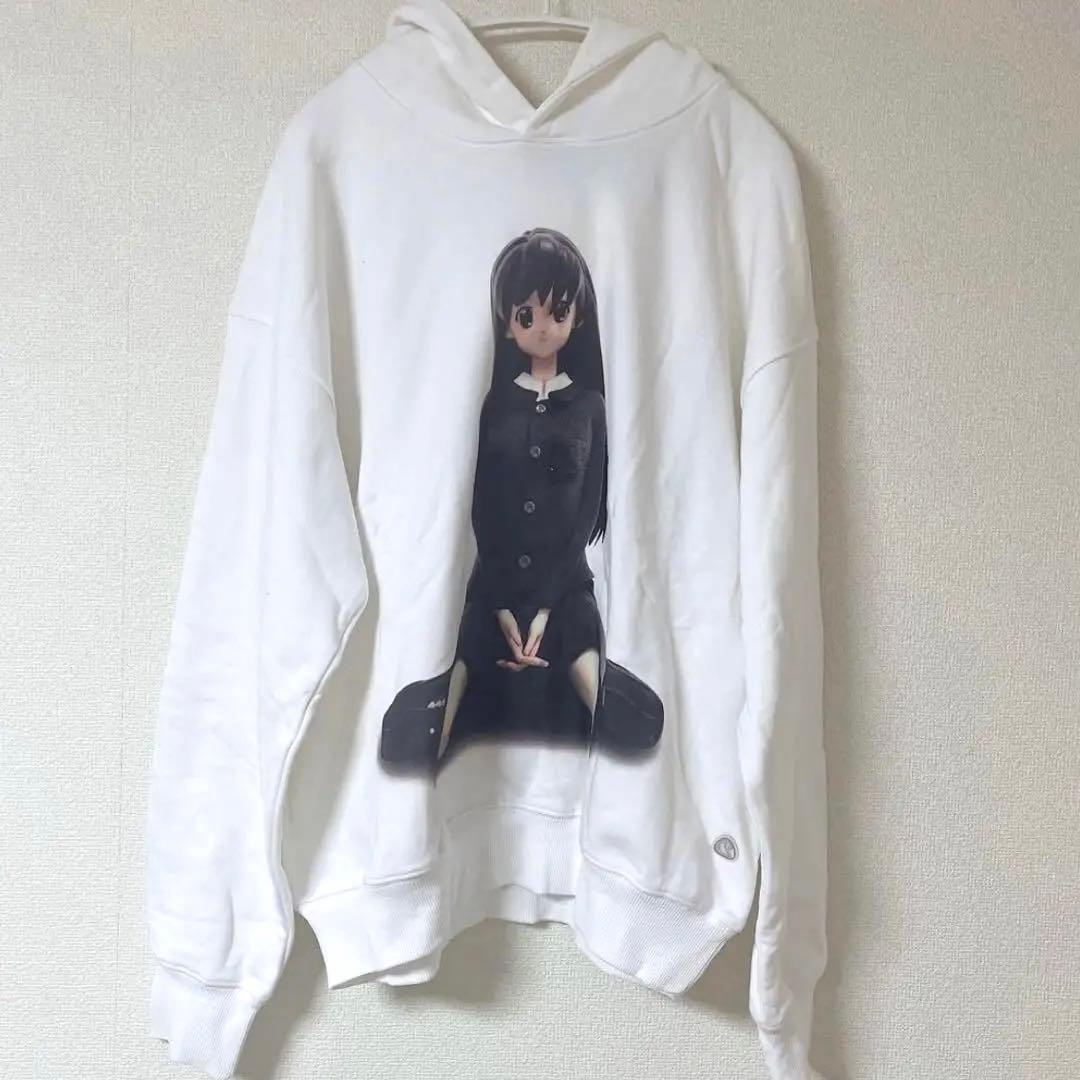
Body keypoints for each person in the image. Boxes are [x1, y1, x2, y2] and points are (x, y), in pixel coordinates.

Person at [379, 227, 662, 774]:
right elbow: (481, 507)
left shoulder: (590, 408)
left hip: (565, 582)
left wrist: (547, 607)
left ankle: (599, 697)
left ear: (577, 317)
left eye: (558, 312)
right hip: (495, 579)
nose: (542, 327)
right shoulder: (491, 406)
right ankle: (442, 717)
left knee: (583, 645)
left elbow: (586, 513)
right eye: (527, 315)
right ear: (507, 323)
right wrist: (506, 607)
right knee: (471, 640)